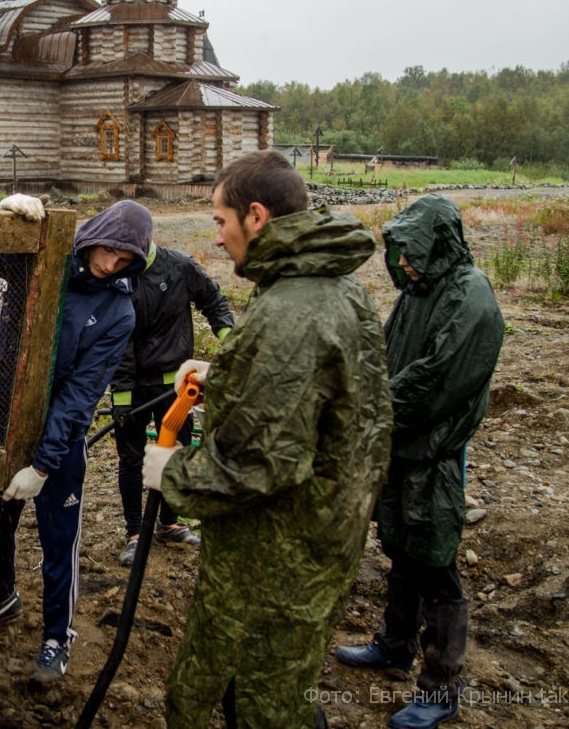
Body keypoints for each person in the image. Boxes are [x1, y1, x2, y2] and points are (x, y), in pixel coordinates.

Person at [142, 149, 393, 727]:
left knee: (266, 700)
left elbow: (263, 466)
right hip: (319, 534)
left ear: (256, 217)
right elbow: (309, 396)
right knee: (282, 680)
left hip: (279, 556)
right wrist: (224, 369)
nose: (217, 237)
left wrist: (171, 472)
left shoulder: (291, 312)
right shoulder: (329, 284)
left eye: (220, 221)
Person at [0, 195, 153, 687]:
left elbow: (80, 395)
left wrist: (43, 465)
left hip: (60, 440)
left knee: (58, 537)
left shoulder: (118, 312)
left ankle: (56, 635)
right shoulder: (48, 252)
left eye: (125, 260)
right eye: (110, 249)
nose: (110, 264)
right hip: (1, 416)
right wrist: (1, 218)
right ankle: (0, 594)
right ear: (97, 234)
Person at [334, 194, 504, 729]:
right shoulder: (417, 292)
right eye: (399, 252)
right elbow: (387, 354)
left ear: (441, 245)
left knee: (435, 558)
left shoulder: (470, 297)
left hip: (433, 450)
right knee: (402, 546)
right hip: (399, 443)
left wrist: (371, 408)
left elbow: (435, 379)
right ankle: (395, 644)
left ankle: (440, 689)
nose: (402, 263)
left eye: (412, 251)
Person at [110, 241, 234, 566]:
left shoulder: (179, 266)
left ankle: (169, 523)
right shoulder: (117, 275)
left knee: (177, 451)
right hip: (132, 386)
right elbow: (117, 343)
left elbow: (214, 301)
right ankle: (135, 533)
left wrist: (235, 346)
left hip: (176, 386)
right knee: (131, 458)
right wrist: (121, 401)